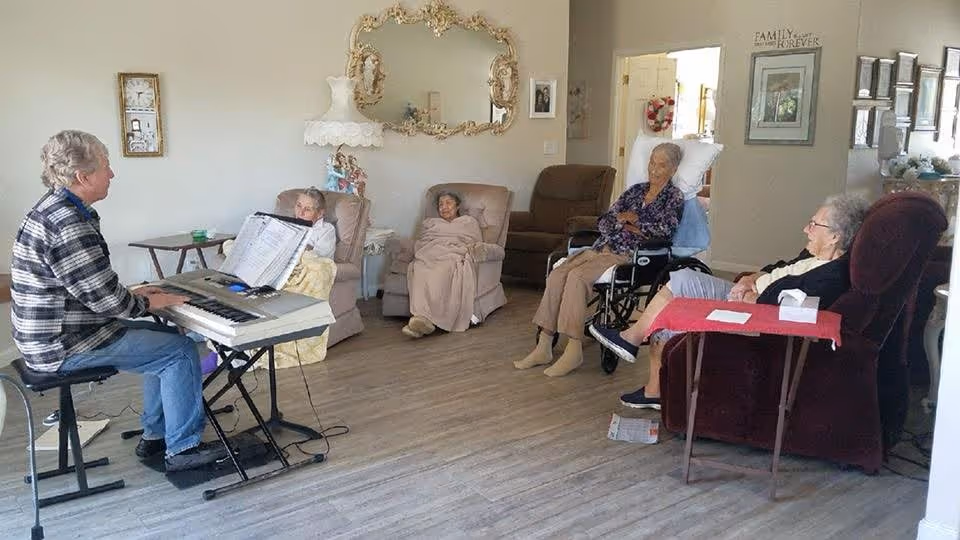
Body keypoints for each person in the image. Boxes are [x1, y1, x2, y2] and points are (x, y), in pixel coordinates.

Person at [10, 130, 221, 472]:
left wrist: (136, 295)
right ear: (83, 176)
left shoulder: (54, 207)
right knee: (179, 352)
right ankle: (183, 449)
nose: (112, 173)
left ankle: (156, 436)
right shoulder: (68, 222)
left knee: (168, 339)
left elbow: (86, 287)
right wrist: (152, 302)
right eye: (106, 166)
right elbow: (108, 301)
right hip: (62, 346)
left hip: (57, 334)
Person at [589, 194, 870, 409]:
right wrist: (750, 279)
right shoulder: (813, 254)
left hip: (751, 313)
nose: (805, 229)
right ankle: (650, 381)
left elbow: (791, 304)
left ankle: (637, 349)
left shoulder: (832, 276)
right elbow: (778, 266)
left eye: (814, 224)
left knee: (681, 284)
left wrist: (753, 296)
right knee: (675, 290)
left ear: (835, 235)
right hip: (744, 294)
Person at [515, 142, 686, 377]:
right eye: (651, 162)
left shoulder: (673, 198)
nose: (654, 169)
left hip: (627, 254)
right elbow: (605, 221)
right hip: (601, 247)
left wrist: (633, 222)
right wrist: (625, 221)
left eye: (662, 165)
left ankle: (573, 349)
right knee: (557, 274)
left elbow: (665, 231)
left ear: (673, 169)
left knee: (577, 278)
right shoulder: (635, 191)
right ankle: (544, 345)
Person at [402, 191, 483, 338]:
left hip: (453, 254)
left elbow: (475, 243)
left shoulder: (468, 222)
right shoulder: (431, 223)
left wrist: (456, 249)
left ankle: (426, 320)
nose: (444, 207)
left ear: (457, 205)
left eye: (448, 203)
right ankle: (421, 319)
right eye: (440, 204)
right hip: (431, 254)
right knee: (419, 267)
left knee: (444, 268)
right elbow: (422, 242)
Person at [294, 187, 336, 259]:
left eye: (307, 209)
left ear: (320, 213)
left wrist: (305, 248)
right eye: (299, 205)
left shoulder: (327, 229)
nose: (300, 213)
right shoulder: (289, 224)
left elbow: (320, 261)